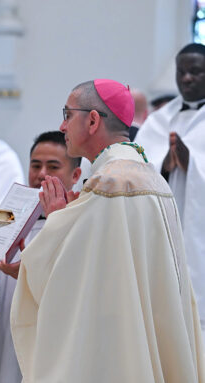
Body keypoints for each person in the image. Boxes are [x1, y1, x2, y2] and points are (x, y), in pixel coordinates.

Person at [11, 79, 205, 382]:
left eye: (67, 114)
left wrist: (56, 220)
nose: (62, 126)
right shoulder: (150, 177)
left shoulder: (108, 185)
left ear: (92, 120)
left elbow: (71, 279)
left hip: (114, 343)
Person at [0, 131, 81, 383]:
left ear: (75, 175)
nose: (41, 174)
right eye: (35, 165)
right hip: (5, 350)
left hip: (54, 348)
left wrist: (29, 273)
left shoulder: (80, 225)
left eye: (53, 166)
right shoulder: (7, 222)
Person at [136, 43, 205, 337]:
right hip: (163, 231)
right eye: (181, 72)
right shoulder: (158, 121)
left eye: (195, 72)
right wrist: (165, 163)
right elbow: (138, 169)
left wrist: (194, 167)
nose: (186, 78)